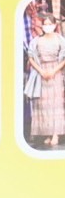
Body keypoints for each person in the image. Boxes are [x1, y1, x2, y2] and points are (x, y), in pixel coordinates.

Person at [27, 12, 64, 148]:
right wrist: (41, 71)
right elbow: (31, 57)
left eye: (50, 24)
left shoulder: (60, 40)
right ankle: (47, 133)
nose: (48, 26)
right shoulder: (36, 41)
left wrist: (54, 71)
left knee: (56, 104)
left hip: (56, 73)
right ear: (42, 26)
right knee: (42, 105)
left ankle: (55, 134)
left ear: (54, 25)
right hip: (40, 73)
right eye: (45, 24)